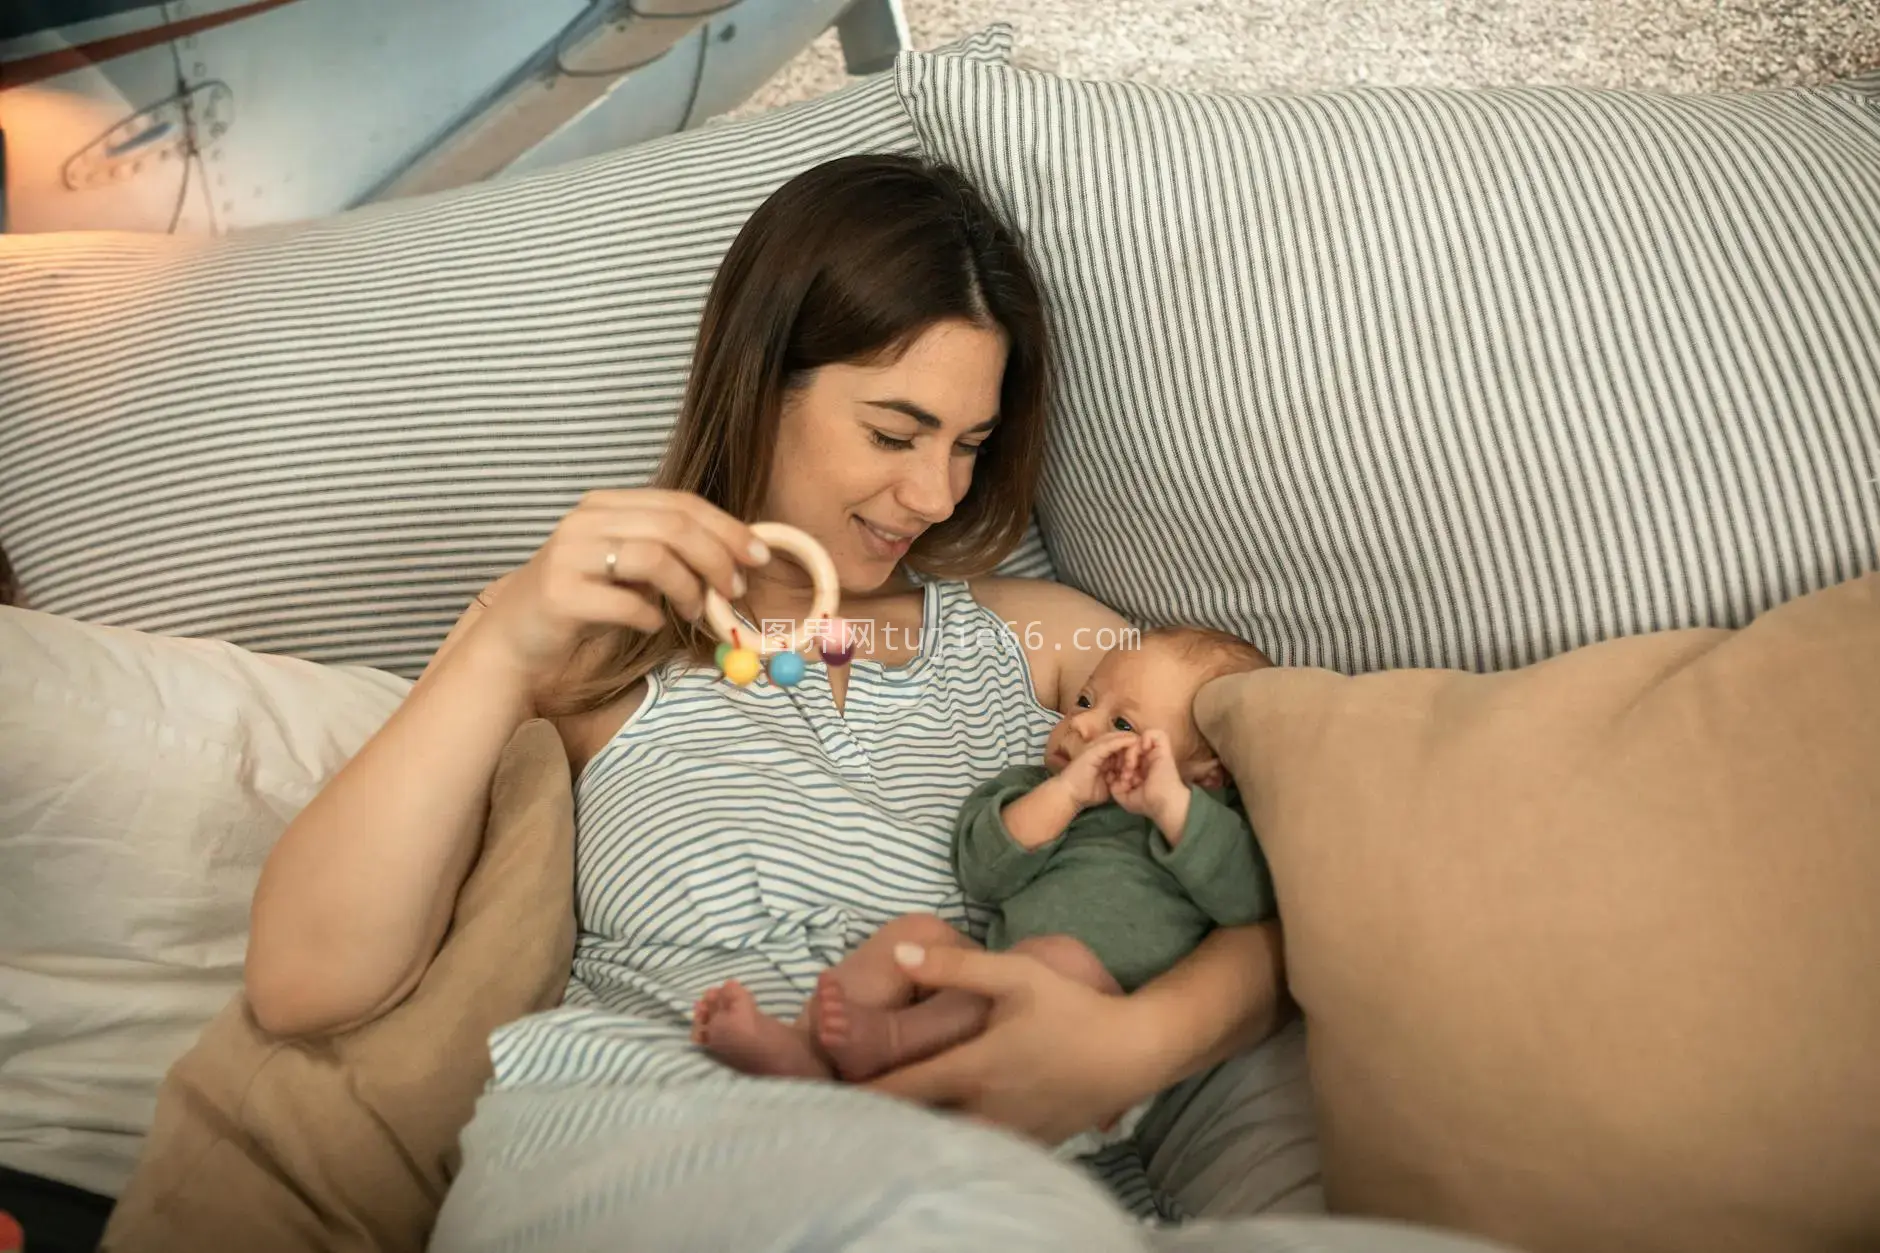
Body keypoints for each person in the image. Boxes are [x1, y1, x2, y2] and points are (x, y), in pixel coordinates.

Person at [245, 153, 1312, 1237]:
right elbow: (306, 983)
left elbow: (1295, 886)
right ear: (759, 380)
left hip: (998, 1173)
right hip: (656, 1138)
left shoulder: (1048, 641)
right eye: (893, 434)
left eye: (969, 446)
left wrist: (1139, 1044)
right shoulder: (581, 648)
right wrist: (499, 640)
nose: (934, 494)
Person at [692, 626, 1279, 1108]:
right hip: (993, 975)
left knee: (1058, 959)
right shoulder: (1038, 791)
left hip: (1091, 1032)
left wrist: (1171, 806)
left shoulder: (1208, 821)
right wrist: (1067, 795)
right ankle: (799, 1046)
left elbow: (1249, 903)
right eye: (1084, 700)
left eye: (1122, 725)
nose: (1082, 724)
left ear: (1210, 770)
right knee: (916, 936)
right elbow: (983, 872)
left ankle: (889, 1042)